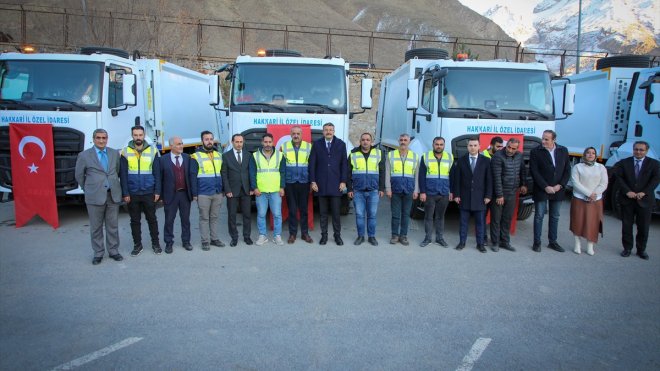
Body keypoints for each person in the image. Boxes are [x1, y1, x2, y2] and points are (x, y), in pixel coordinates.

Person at [75, 129, 123, 265]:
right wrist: (89, 189)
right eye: (98, 138)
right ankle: (98, 253)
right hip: (94, 196)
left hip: (112, 195)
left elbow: (117, 171)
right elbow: (79, 176)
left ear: (107, 139)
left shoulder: (114, 153)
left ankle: (113, 251)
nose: (101, 140)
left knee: (112, 226)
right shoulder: (84, 156)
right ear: (93, 139)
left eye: (104, 138)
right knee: (96, 227)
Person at [613, 141, 660, 260]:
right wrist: (627, 191)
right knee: (627, 225)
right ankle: (627, 248)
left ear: (646, 151)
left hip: (644, 199)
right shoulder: (624, 163)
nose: (638, 152)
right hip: (627, 199)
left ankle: (641, 249)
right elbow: (619, 178)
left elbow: (655, 180)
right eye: (636, 149)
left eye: (641, 150)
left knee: (643, 227)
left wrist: (644, 192)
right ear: (633, 150)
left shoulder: (654, 164)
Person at [120, 125, 162, 256]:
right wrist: (125, 193)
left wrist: (157, 191)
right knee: (135, 221)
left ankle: (156, 244)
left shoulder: (153, 151)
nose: (138, 138)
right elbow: (123, 174)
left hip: (149, 192)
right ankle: (137, 245)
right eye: (135, 135)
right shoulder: (125, 151)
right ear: (132, 136)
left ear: (144, 136)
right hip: (133, 193)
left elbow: (157, 173)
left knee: (152, 219)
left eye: (140, 135)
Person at [529, 130, 571, 252]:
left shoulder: (563, 150)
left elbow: (567, 170)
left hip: (558, 189)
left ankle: (553, 242)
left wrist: (561, 185)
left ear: (554, 140)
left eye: (546, 139)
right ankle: (537, 242)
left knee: (555, 216)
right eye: (543, 138)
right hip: (542, 189)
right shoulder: (536, 151)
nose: (543, 141)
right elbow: (534, 171)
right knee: (539, 216)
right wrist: (545, 186)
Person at [309, 122, 348, 246]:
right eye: (326, 130)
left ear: (334, 131)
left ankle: (337, 236)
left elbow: (344, 165)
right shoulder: (316, 144)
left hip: (336, 185)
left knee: (336, 214)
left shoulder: (341, 144)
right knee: (323, 213)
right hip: (320, 185)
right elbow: (312, 164)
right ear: (323, 132)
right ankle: (324, 236)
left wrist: (343, 181)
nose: (328, 132)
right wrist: (313, 181)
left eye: (331, 130)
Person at [155, 136, 195, 254]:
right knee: (169, 220)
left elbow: (191, 176)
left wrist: (193, 193)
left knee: (186, 220)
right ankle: (168, 243)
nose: (181, 146)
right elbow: (159, 178)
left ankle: (186, 241)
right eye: (178, 144)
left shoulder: (188, 158)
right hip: (170, 195)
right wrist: (160, 196)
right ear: (171, 146)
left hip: (184, 195)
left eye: (181, 143)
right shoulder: (162, 160)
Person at [452, 137, 492, 252]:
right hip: (464, 197)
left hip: (480, 198)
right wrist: (457, 195)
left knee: (480, 223)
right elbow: (457, 179)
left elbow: (489, 180)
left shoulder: (486, 161)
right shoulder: (461, 160)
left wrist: (488, 195)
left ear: (479, 146)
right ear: (467, 147)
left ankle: (480, 244)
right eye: (470, 145)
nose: (473, 148)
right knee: (463, 222)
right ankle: (462, 242)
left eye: (475, 145)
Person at [489, 137, 527, 252]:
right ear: (507, 145)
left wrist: (523, 184)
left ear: (517, 148)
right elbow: (496, 177)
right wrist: (499, 195)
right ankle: (495, 242)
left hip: (512, 192)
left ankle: (505, 241)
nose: (510, 150)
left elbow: (522, 171)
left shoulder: (519, 156)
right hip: (499, 194)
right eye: (509, 147)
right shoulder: (498, 156)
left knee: (507, 218)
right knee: (496, 219)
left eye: (513, 148)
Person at [348, 132, 385, 246]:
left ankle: (372, 237)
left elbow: (382, 172)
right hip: (358, 191)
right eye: (363, 139)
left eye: (368, 140)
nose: (365, 141)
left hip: (373, 191)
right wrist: (350, 189)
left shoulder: (379, 153)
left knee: (372, 215)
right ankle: (360, 236)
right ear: (360, 141)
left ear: (371, 141)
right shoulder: (353, 154)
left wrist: (381, 188)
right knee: (359, 215)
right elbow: (348, 173)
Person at [569, 147, 608, 255]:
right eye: (588, 153)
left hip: (595, 200)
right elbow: (575, 182)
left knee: (593, 223)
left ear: (595, 155)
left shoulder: (601, 167)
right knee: (578, 221)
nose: (590, 155)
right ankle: (577, 245)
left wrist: (594, 194)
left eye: (593, 153)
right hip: (579, 198)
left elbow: (604, 183)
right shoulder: (577, 167)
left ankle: (590, 246)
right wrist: (588, 193)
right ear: (584, 155)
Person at [191, 131, 225, 251]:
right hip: (203, 193)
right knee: (204, 218)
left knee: (215, 217)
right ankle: (205, 241)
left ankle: (214, 239)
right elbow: (193, 176)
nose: (209, 141)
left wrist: (223, 190)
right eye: (207, 139)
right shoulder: (196, 156)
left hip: (217, 192)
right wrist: (194, 194)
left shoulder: (218, 155)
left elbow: (222, 173)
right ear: (202, 141)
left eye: (211, 139)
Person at [250, 133, 285, 246]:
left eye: (270, 142)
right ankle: (262, 236)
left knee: (277, 215)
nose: (268, 144)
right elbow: (252, 173)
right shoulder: (255, 156)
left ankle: (277, 236)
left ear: (273, 142)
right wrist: (254, 188)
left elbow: (283, 172)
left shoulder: (280, 155)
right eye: (265, 142)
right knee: (261, 214)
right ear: (262, 142)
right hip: (261, 191)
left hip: (275, 190)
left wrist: (282, 187)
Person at [221, 134, 255, 247]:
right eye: (237, 142)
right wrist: (227, 190)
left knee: (247, 215)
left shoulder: (249, 155)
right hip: (232, 190)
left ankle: (247, 236)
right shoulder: (226, 156)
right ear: (232, 142)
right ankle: (234, 237)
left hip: (246, 190)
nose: (239, 144)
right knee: (232, 215)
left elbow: (251, 172)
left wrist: (251, 188)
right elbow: (224, 174)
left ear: (243, 142)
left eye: (241, 142)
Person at [280, 126, 313, 244]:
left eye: (298, 133)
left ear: (302, 135)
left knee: (304, 209)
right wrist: (282, 184)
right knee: (292, 210)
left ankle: (305, 233)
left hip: (304, 182)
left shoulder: (309, 147)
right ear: (290, 134)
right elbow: (282, 167)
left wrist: (311, 181)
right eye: (294, 133)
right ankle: (292, 234)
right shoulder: (284, 147)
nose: (296, 135)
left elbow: (312, 166)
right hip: (290, 182)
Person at [385, 133, 419, 246]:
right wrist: (388, 188)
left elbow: (417, 175)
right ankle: (395, 235)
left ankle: (403, 236)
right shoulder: (391, 155)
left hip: (409, 190)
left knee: (406, 215)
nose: (403, 142)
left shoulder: (415, 156)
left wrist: (416, 190)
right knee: (395, 214)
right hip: (395, 189)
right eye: (401, 140)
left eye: (405, 140)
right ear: (398, 141)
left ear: (409, 142)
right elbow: (387, 173)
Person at [418, 136, 453, 247]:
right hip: (430, 192)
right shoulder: (426, 156)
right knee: (428, 216)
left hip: (444, 192)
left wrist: (451, 191)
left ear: (444, 145)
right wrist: (422, 192)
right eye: (436, 144)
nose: (439, 146)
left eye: (441, 144)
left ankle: (439, 238)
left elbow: (452, 176)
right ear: (433, 145)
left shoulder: (449, 157)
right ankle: (427, 238)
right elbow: (421, 176)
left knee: (440, 217)